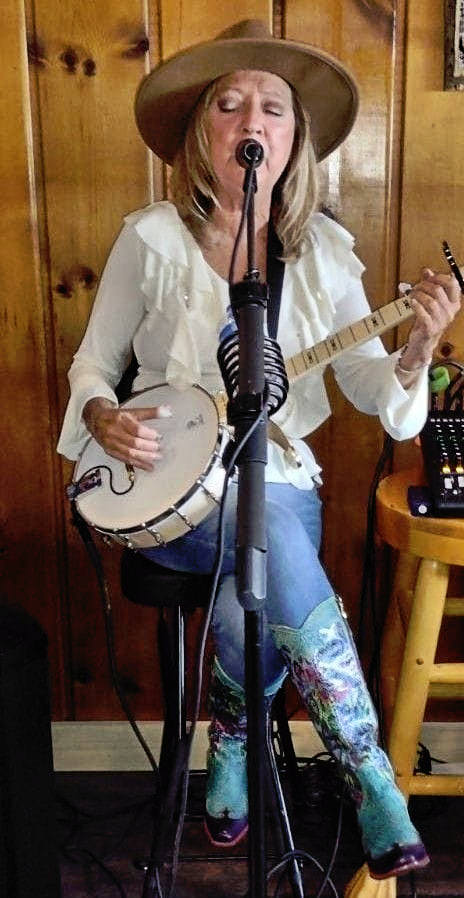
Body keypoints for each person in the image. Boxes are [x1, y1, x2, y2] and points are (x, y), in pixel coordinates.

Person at [58, 19, 461, 880]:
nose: (253, 119)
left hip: (280, 480)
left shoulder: (323, 256)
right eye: (229, 104)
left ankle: (236, 737)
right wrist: (100, 413)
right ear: (206, 134)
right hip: (167, 490)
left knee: (267, 539)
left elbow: (377, 399)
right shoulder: (153, 238)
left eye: (272, 108)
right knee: (269, 539)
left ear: (292, 139)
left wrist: (419, 349)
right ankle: (369, 776)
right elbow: (94, 360)